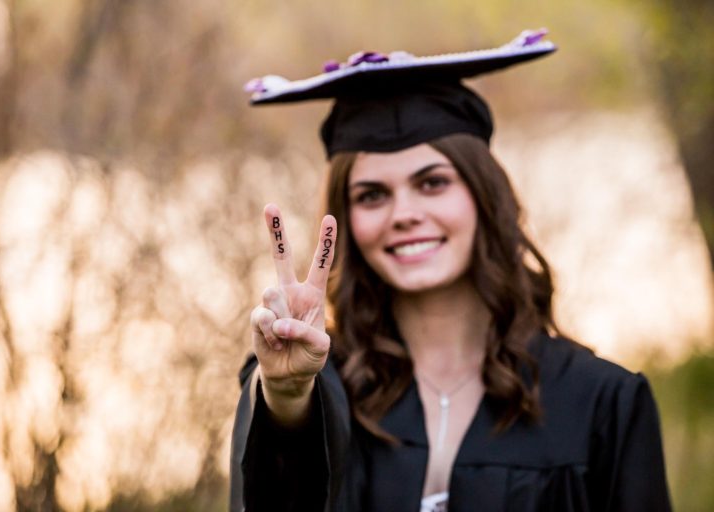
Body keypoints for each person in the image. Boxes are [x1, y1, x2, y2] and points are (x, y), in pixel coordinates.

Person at [231, 30, 672, 512]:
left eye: (433, 182)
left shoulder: (600, 404)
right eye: (372, 195)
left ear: (484, 196)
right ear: (348, 219)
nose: (403, 213)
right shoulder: (320, 389)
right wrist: (287, 392)